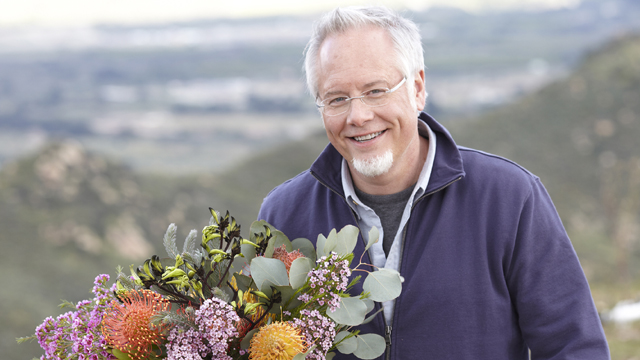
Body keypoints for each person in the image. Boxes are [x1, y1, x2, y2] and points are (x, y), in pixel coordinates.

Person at [258, 6, 609, 360]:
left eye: (376, 91)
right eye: (337, 98)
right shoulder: (285, 213)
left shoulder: (509, 199)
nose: (358, 116)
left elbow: (574, 348)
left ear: (417, 89)